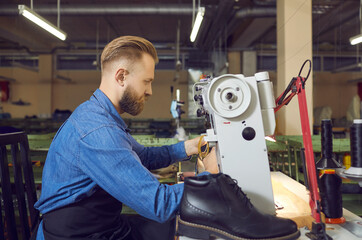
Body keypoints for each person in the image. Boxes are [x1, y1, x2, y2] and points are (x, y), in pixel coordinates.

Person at [33, 36, 218, 240]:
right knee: (187, 230)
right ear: (121, 77)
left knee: (174, 229)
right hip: (80, 235)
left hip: (101, 225)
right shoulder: (99, 131)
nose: (149, 91)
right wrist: (210, 175)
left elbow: (143, 156)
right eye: (146, 82)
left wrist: (188, 147)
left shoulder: (99, 114)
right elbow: (160, 204)